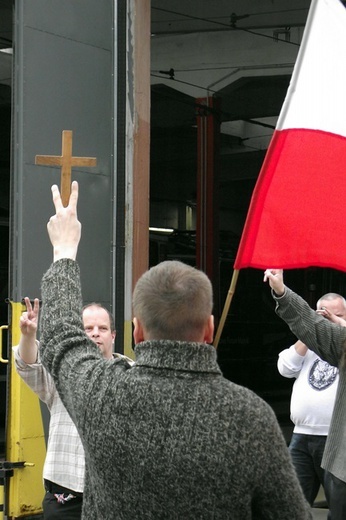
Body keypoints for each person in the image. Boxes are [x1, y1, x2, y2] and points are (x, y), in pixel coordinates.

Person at [35, 181, 313, 519]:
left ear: (136, 331)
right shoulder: (250, 417)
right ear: (209, 328)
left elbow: (61, 338)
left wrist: (64, 250)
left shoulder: (103, 394)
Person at [14, 296, 133, 519]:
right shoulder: (61, 373)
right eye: (88, 328)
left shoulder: (132, 375)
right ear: (78, 336)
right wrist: (28, 336)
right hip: (64, 498)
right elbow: (29, 364)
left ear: (113, 335)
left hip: (116, 498)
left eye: (103, 328)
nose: (95, 333)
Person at [264, 268, 346, 520]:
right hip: (303, 436)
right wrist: (281, 291)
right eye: (324, 314)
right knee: (292, 506)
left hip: (334, 442)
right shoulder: (325, 340)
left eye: (338, 314)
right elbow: (285, 365)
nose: (329, 319)